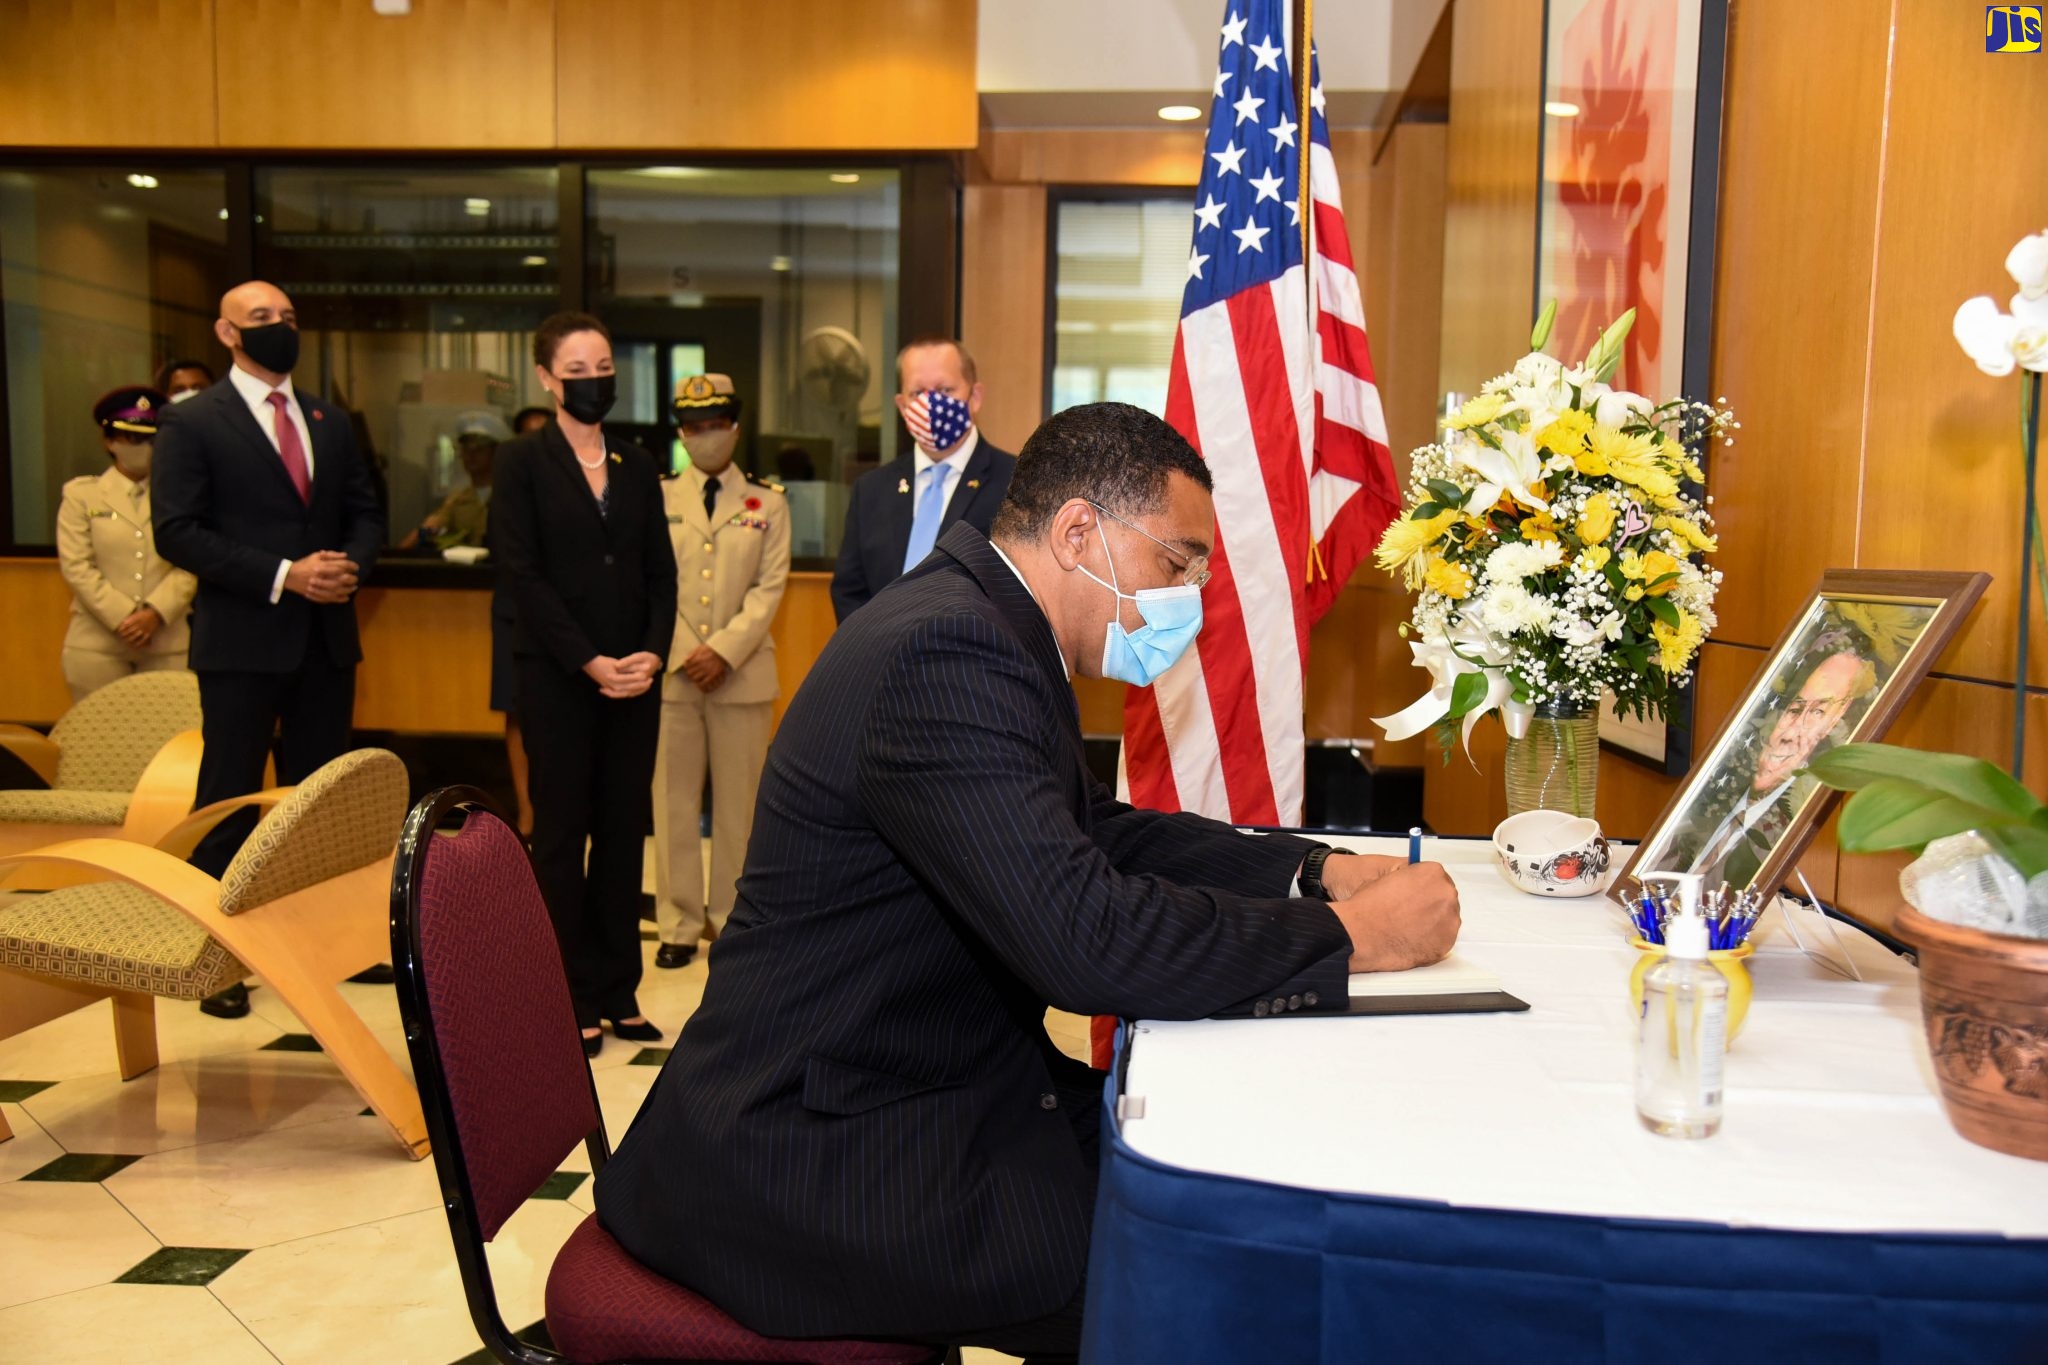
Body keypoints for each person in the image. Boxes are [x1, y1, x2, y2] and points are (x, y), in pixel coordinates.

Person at [595, 402, 1461, 1360]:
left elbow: (1098, 833)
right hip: (813, 1151)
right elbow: (1088, 942)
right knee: (1214, 1263)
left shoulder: (982, 621)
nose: (1191, 595)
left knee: (1223, 1182)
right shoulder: (948, 652)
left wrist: (1313, 869)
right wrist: (1359, 939)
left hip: (917, 1079)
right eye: (1177, 562)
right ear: (1079, 530)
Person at [152, 281, 384, 1019]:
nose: (280, 328)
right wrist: (287, 575)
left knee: (318, 806)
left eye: (287, 317)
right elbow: (177, 530)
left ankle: (322, 947)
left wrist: (350, 564)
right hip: (242, 643)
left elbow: (365, 508)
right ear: (226, 332)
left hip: (324, 643)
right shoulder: (193, 423)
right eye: (262, 319)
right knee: (227, 800)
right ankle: (213, 960)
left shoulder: (329, 418)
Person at [493, 312, 677, 1057]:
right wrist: (590, 662)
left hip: (637, 680)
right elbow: (521, 576)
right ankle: (565, 993)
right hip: (560, 681)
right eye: (578, 368)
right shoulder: (521, 463)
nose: (594, 378)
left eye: (604, 365)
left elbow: (659, 574)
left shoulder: (637, 463)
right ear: (546, 377)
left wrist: (652, 654)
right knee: (563, 837)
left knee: (626, 834)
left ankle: (617, 988)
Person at [650, 374, 790, 970]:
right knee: (673, 803)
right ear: (682, 433)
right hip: (675, 674)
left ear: (735, 427)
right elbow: (650, 583)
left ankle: (732, 921)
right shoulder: (655, 497)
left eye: (717, 425)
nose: (706, 437)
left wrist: (724, 650)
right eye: (695, 427)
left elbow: (769, 588)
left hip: (743, 675)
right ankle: (677, 923)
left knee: (741, 807)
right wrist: (687, 650)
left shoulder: (770, 500)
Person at [829, 337, 1015, 622]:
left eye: (944, 390)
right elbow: (849, 591)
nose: (931, 405)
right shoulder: (871, 489)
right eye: (918, 393)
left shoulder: (1015, 483)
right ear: (902, 406)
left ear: (974, 397)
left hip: (975, 661)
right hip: (885, 660)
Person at [1671, 639, 1876, 890]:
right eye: (1795, 708)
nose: (1789, 733)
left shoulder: (1788, 828)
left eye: (1818, 713)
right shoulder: (1710, 800)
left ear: (1836, 727)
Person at [55, 387, 197, 700]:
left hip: (168, 640)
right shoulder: (82, 495)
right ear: (109, 441)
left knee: (167, 739)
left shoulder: (182, 496)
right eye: (132, 439)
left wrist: (154, 614)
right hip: (97, 644)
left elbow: (192, 560)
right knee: (100, 740)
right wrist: (124, 617)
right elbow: (77, 565)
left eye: (151, 439)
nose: (143, 447)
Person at [400, 410, 506, 551]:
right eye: (466, 449)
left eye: (479, 448)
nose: (471, 455)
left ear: (495, 452)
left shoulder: (510, 496)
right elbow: (430, 529)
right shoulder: (457, 501)